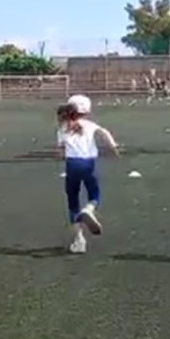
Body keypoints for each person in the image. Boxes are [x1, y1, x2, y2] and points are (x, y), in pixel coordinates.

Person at [57, 95, 120, 254]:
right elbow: (104, 132)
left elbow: (61, 151)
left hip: (71, 165)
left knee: (73, 202)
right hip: (88, 164)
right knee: (94, 194)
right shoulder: (89, 125)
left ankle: (79, 240)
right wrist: (112, 146)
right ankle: (89, 209)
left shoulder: (63, 128)